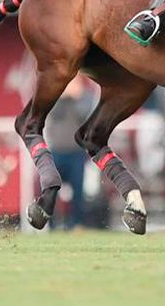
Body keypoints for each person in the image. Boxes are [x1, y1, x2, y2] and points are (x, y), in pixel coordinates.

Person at [45, 75, 95, 229]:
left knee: (78, 191)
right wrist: (63, 96)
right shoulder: (55, 95)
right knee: (51, 189)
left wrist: (76, 97)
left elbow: (83, 114)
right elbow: (54, 113)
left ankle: (76, 224)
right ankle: (51, 225)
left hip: (76, 152)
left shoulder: (87, 96)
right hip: (56, 151)